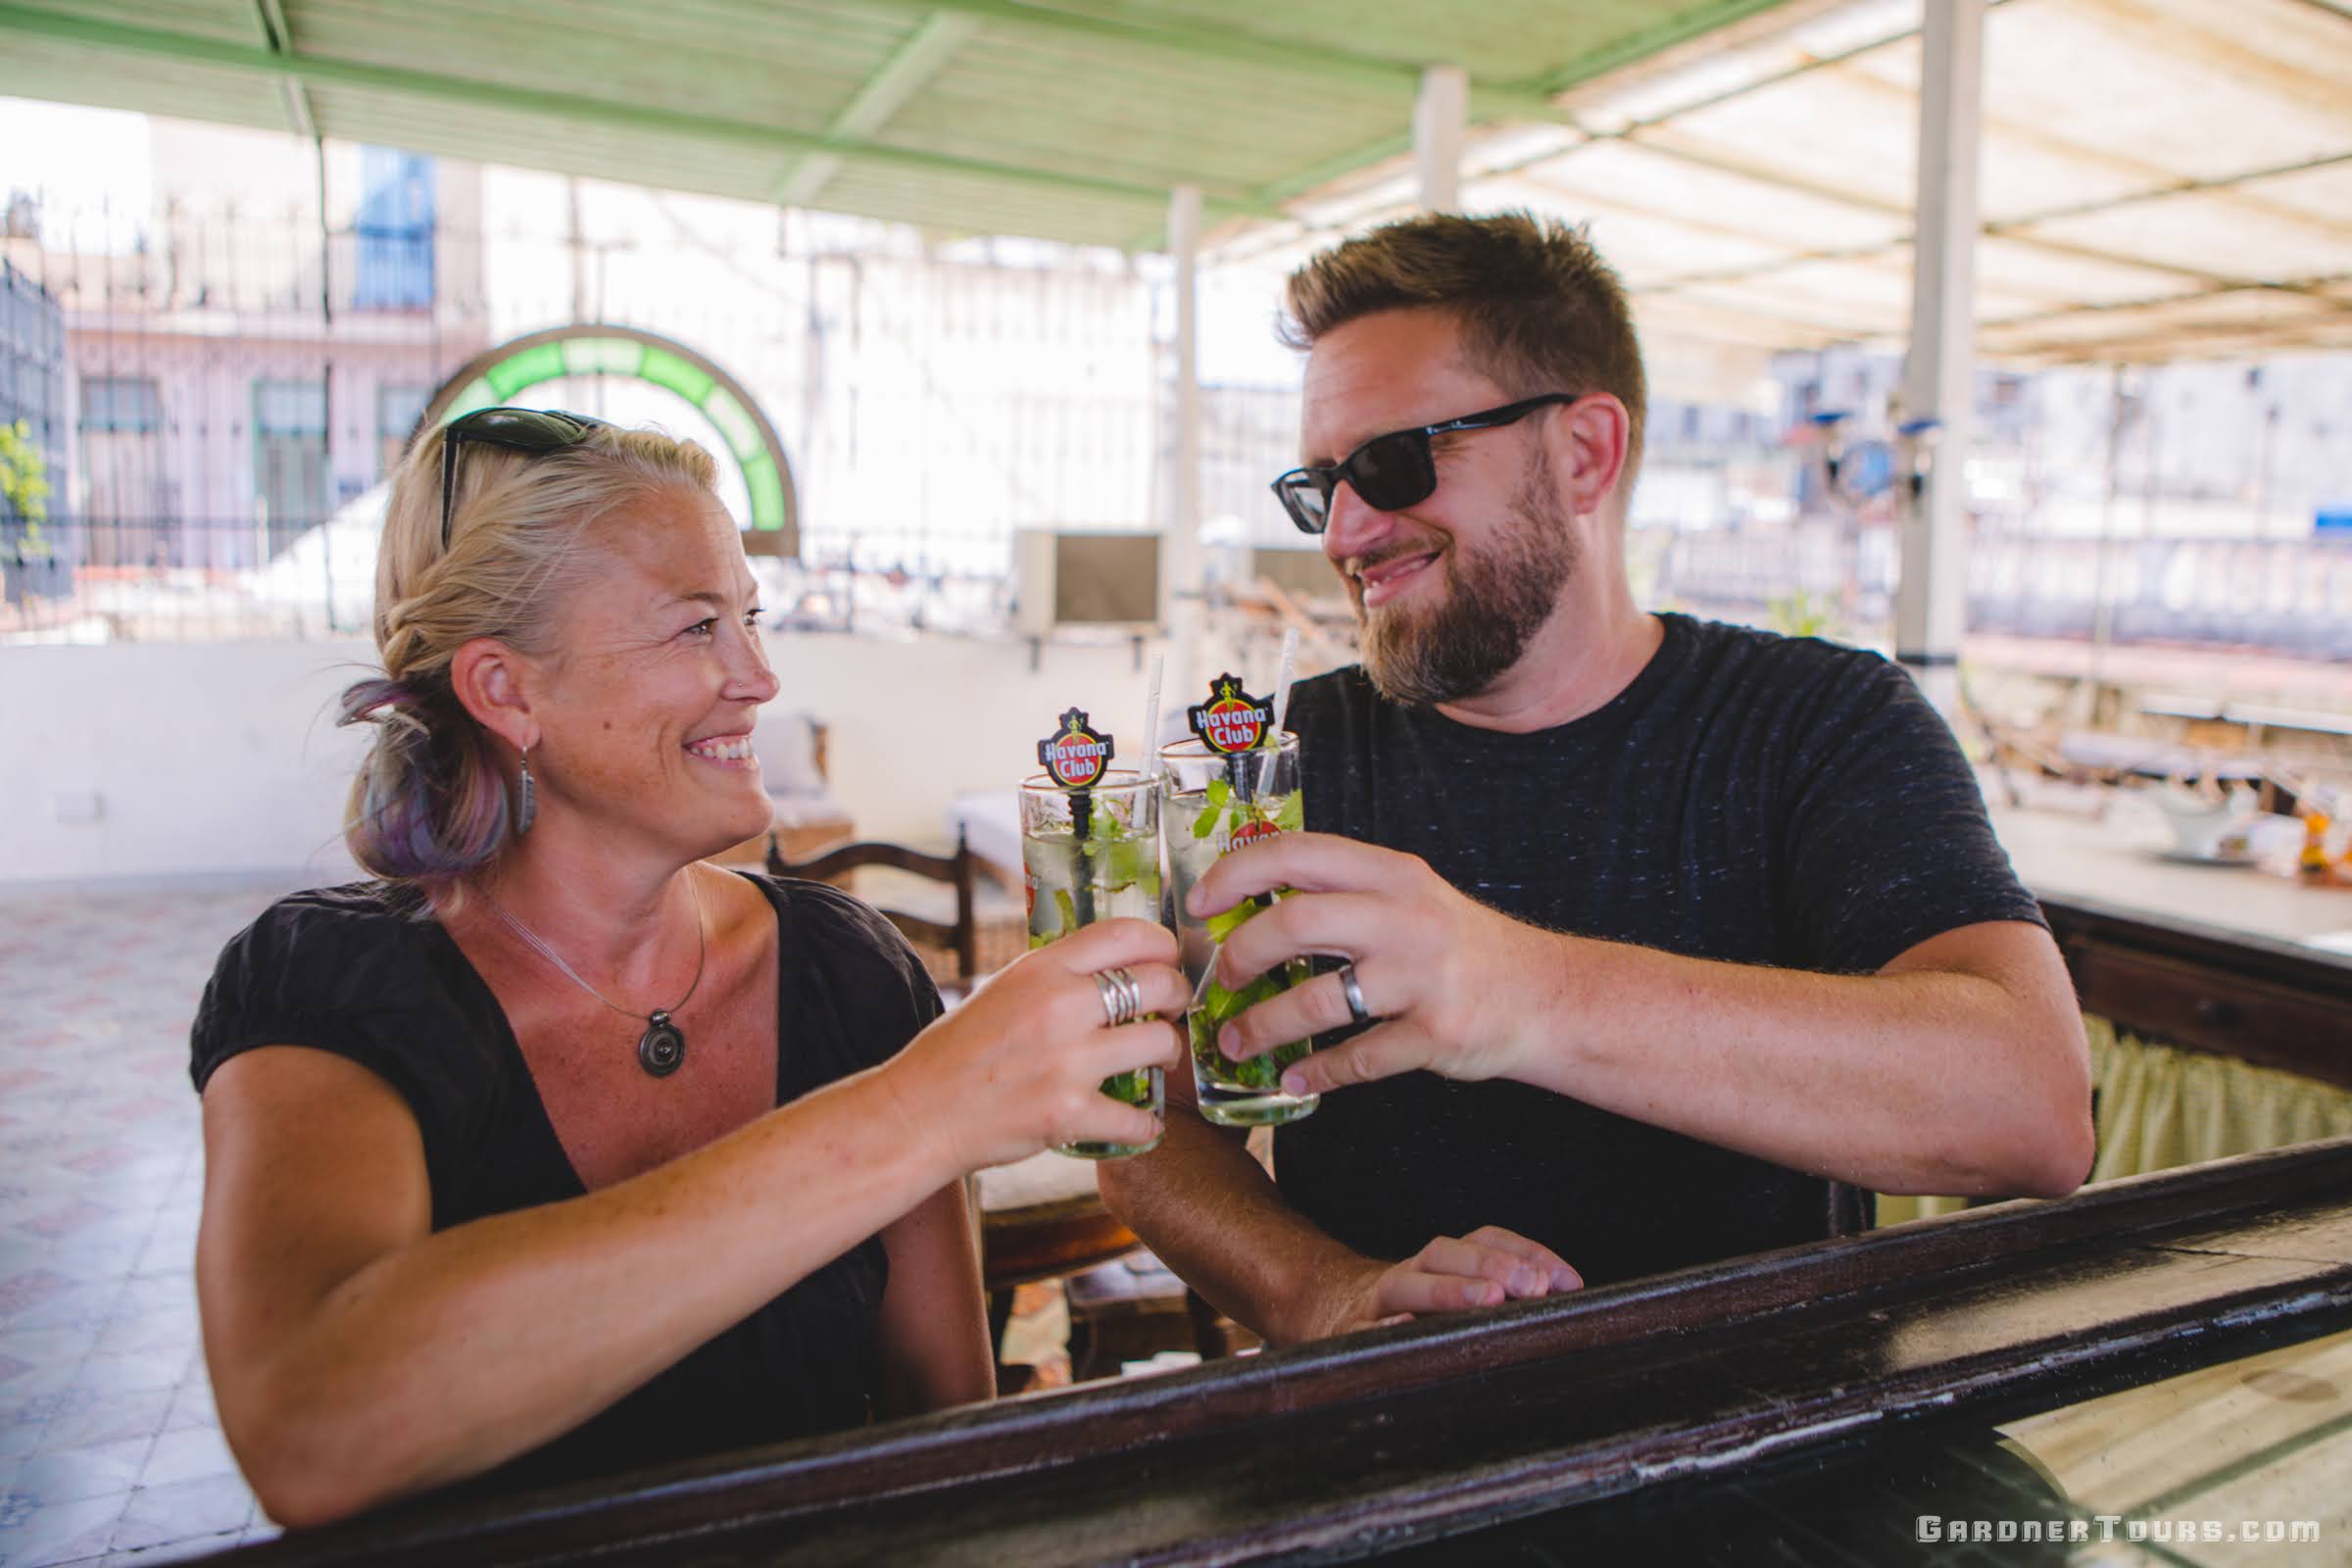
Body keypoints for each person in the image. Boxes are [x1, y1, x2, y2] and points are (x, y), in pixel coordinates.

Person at [1099, 213, 2093, 1347]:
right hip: (1389, 1447)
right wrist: (1322, 1289)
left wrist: (1522, 989)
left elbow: (2033, 1109)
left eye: (1390, 463)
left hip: (1775, 1441)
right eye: (1319, 484)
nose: (1344, 532)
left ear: (1584, 453)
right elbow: (1150, 1120)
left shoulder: (1817, 724)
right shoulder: (1281, 759)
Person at [190, 409, 1184, 1525]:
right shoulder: (329, 986)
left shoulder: (843, 971)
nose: (757, 676)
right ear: (507, 690)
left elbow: (940, 1429)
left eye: (751, 617)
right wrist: (920, 1108)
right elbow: (312, 1429)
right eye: (695, 627)